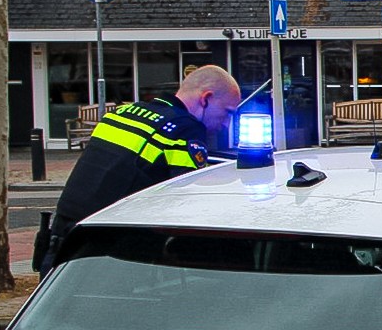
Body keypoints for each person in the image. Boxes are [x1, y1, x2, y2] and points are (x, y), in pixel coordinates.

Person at [38, 64, 241, 271]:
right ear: (205, 98)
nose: (226, 124)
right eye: (227, 112)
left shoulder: (123, 112)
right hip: (110, 254)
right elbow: (187, 201)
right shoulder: (184, 129)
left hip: (63, 239)